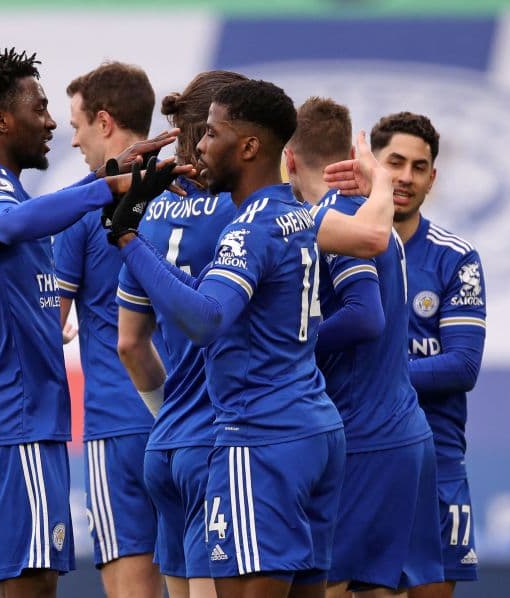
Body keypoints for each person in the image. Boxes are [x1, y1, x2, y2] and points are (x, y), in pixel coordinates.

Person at [110, 77, 398, 598]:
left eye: (212, 134)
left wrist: (129, 240)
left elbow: (204, 318)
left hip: (258, 440)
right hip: (316, 430)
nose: (198, 144)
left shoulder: (248, 230)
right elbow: (374, 235)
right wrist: (377, 182)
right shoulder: (296, 215)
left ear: (248, 147)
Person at [0, 47, 183, 598]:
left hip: (29, 413)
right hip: (14, 413)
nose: (52, 124)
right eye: (41, 109)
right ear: (1, 120)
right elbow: (7, 225)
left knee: (40, 581)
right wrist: (106, 187)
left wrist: (115, 171)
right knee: (32, 585)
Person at [285, 98, 443, 597]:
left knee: (327, 587)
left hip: (367, 435)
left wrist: (289, 346)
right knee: (374, 591)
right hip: (396, 430)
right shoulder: (365, 214)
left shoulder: (340, 216)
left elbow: (362, 314)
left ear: (288, 157)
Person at [116, 70, 245, 598]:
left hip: (166, 443)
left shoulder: (150, 215)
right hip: (220, 442)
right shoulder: (245, 210)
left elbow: (129, 342)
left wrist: (169, 410)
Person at [56, 61, 163, 598]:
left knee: (130, 584)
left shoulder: (77, 208)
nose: (72, 139)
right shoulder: (193, 192)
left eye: (76, 126)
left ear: (104, 121)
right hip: (192, 420)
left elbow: (50, 324)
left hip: (119, 425)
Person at [371, 112, 487, 598]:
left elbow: (462, 365)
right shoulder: (333, 246)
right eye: (395, 162)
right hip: (361, 457)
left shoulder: (455, 258)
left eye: (419, 167)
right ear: (370, 164)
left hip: (433, 462)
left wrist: (376, 377)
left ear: (432, 178)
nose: (406, 177)